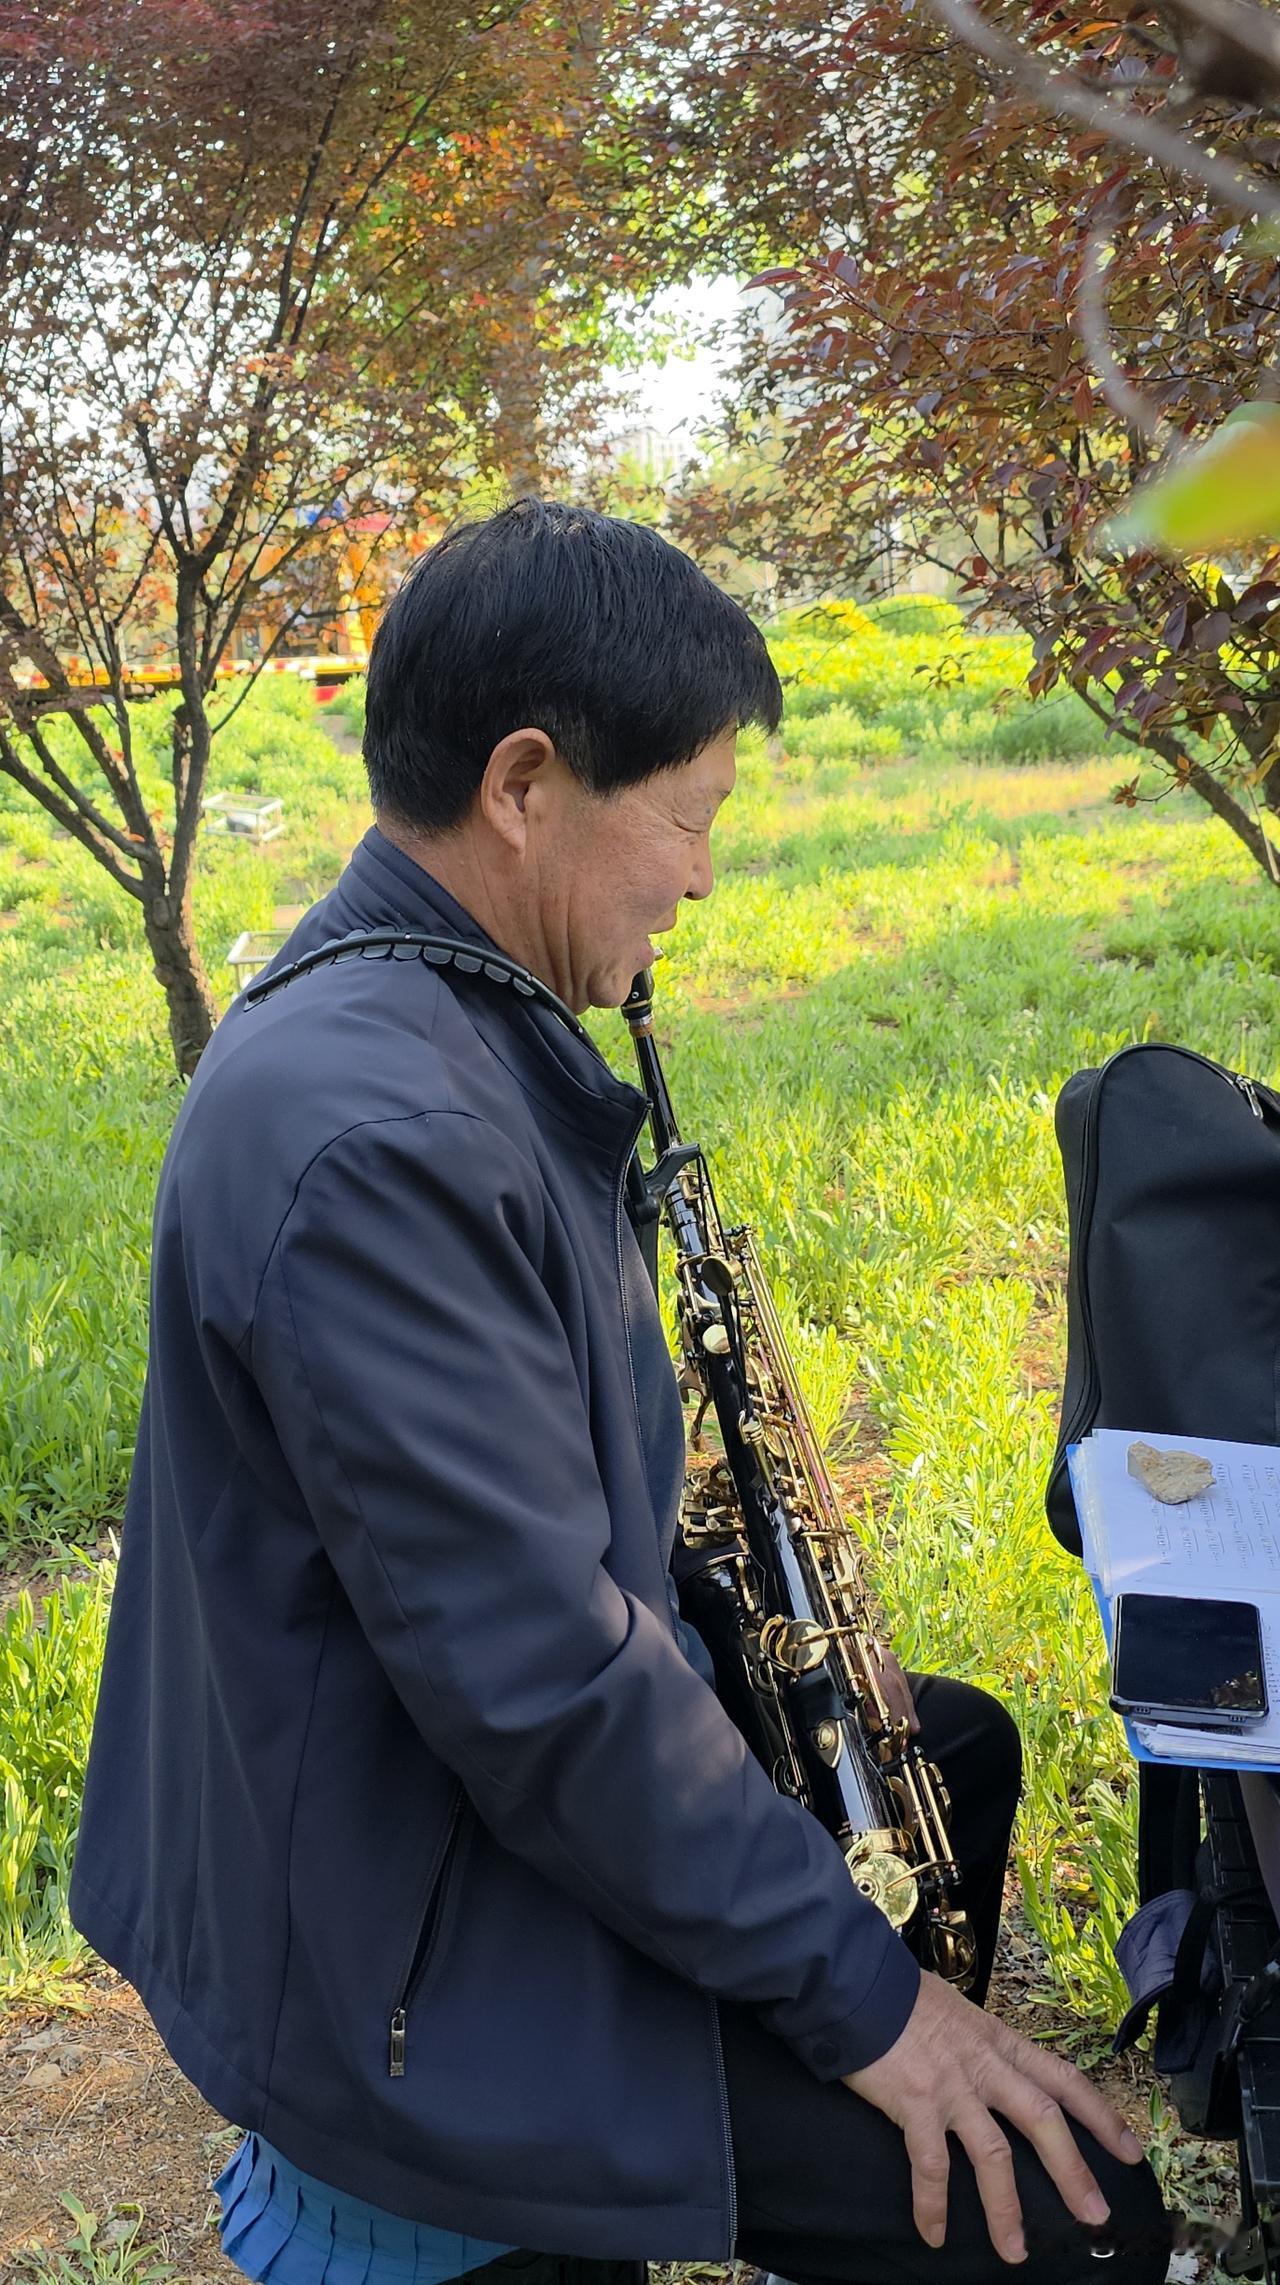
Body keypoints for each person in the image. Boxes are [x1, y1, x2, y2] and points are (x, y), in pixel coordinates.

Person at [69, 501, 1171, 2285]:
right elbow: (548, 1690)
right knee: (1087, 2231)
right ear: (524, 786)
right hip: (403, 1957)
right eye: (691, 815)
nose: (705, 876)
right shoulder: (384, 1138)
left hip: (398, 1811)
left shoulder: (428, 1010)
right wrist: (877, 2008)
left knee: (948, 1751)